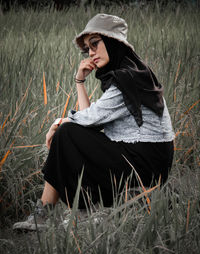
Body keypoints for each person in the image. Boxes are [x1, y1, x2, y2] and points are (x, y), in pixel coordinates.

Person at [13, 13, 174, 231]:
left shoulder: (126, 78)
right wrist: (80, 81)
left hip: (144, 164)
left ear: (113, 42)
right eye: (87, 48)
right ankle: (72, 212)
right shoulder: (130, 72)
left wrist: (58, 123)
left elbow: (86, 120)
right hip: (144, 161)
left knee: (65, 133)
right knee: (69, 134)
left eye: (95, 44)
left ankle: (54, 213)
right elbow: (88, 121)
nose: (90, 53)